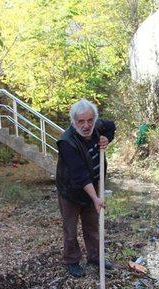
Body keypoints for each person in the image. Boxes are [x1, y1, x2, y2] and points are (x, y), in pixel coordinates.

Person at [56, 99, 115, 277]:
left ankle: (95, 257)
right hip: (71, 190)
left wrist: (106, 138)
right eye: (81, 121)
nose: (86, 125)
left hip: (93, 185)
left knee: (92, 225)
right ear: (74, 122)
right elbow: (80, 175)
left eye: (90, 120)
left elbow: (111, 126)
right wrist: (96, 198)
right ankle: (72, 260)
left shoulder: (97, 126)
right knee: (71, 229)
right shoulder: (67, 142)